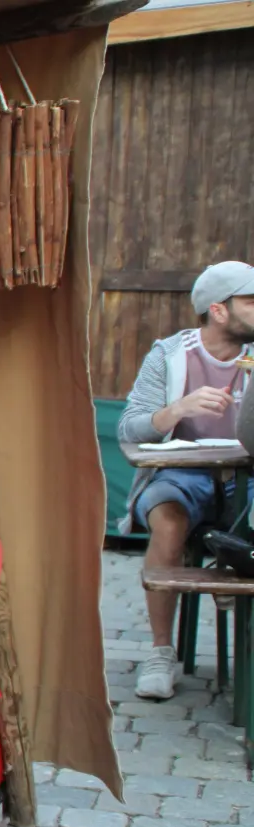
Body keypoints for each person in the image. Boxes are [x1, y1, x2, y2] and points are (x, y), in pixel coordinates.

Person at [118, 261, 254, 700]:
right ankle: (161, 652)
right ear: (219, 310)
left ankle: (233, 566)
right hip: (182, 474)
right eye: (251, 302)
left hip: (246, 479)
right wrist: (177, 410)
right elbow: (131, 428)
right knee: (169, 520)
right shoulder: (171, 354)